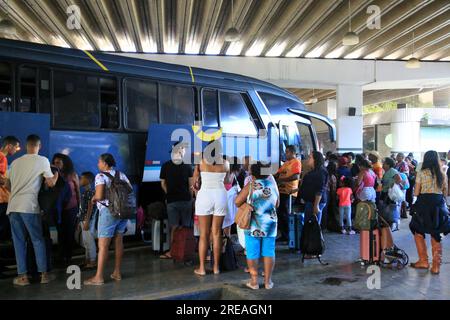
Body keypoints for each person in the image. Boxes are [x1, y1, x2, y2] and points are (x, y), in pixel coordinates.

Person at [0, 135, 58, 286]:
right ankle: (44, 275)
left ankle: (23, 277)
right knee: (37, 240)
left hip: (13, 207)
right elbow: (51, 183)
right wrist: (56, 173)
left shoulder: (15, 162)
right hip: (29, 206)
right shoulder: (42, 160)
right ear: (39, 146)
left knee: (18, 242)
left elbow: (6, 185)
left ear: (26, 146)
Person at [84, 153, 131, 285]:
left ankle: (98, 277)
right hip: (123, 212)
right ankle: (117, 272)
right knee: (118, 241)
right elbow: (130, 191)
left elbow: (99, 195)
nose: (98, 164)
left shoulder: (100, 176)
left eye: (99, 162)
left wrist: (93, 198)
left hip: (108, 212)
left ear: (105, 163)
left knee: (103, 245)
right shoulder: (121, 175)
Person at [235, 162, 279, 290]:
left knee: (252, 252)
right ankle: (268, 282)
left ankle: (254, 282)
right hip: (269, 224)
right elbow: (277, 204)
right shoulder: (272, 185)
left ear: (253, 174)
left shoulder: (251, 186)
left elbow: (237, 201)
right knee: (269, 252)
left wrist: (246, 206)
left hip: (253, 223)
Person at [193, 140, 229, 276]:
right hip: (220, 195)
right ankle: (216, 268)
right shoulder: (226, 163)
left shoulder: (201, 162)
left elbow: (195, 182)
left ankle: (202, 268)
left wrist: (196, 185)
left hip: (205, 196)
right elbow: (226, 181)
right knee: (217, 233)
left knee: (204, 234)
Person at [410, 150, 449, 275]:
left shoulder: (421, 173)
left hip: (424, 204)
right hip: (438, 204)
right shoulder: (442, 173)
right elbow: (445, 192)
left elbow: (416, 193)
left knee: (417, 230)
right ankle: (436, 266)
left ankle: (423, 261)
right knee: (436, 233)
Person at [159, 142, 193, 259]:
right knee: (186, 226)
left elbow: (163, 183)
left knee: (173, 227)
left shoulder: (165, 165)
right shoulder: (187, 166)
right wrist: (191, 198)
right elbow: (190, 186)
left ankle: (172, 252)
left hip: (172, 200)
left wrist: (168, 193)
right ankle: (185, 250)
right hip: (186, 200)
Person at [52, 153, 80, 267]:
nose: (56, 164)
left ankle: (68, 257)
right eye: (54, 162)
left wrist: (79, 209)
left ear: (65, 163)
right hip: (58, 210)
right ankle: (60, 257)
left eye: (58, 162)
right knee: (60, 234)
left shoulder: (72, 175)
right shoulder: (54, 175)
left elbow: (78, 192)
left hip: (71, 209)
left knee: (69, 234)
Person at [0, 136, 20, 277]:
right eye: (16, 146)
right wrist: (12, 186)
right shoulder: (2, 157)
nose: (17, 149)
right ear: (8, 146)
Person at [274, 145, 301, 242]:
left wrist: (282, 180)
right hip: (281, 191)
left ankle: (288, 236)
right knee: (281, 213)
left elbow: (296, 176)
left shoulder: (296, 162)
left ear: (293, 153)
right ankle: (284, 234)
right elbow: (278, 173)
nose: (286, 154)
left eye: (287, 152)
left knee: (284, 214)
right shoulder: (286, 163)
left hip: (289, 192)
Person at [299, 151, 328, 226]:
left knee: (313, 226)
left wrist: (316, 205)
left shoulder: (321, 172)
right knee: (309, 225)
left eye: (310, 157)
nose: (308, 159)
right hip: (311, 201)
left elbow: (320, 189)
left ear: (316, 159)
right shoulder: (313, 171)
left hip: (314, 202)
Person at [78, 172, 97, 269]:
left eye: (82, 178)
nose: (80, 180)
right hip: (83, 219)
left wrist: (87, 221)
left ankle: (93, 261)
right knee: (85, 241)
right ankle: (87, 260)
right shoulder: (85, 192)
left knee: (89, 241)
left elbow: (90, 207)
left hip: (87, 219)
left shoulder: (90, 192)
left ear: (88, 180)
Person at [381, 157, 402, 231]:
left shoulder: (392, 171)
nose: (383, 164)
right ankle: (388, 224)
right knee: (387, 208)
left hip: (389, 193)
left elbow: (399, 179)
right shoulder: (386, 171)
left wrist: (392, 186)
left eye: (384, 163)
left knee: (390, 209)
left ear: (388, 164)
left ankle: (391, 224)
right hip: (385, 192)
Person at [223, 157, 241, 237]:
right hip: (227, 203)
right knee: (227, 225)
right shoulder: (229, 174)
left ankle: (225, 243)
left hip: (225, 202)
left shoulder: (230, 173)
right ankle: (227, 243)